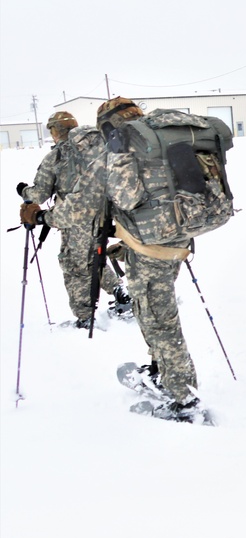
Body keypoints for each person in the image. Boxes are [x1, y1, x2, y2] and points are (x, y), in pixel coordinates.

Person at [19, 98, 205, 422]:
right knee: (151, 314)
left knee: (159, 320)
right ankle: (162, 371)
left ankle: (184, 400)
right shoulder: (157, 140)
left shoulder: (116, 151)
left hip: (149, 248)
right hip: (174, 240)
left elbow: (81, 204)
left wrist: (43, 217)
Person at [17, 111, 132, 329]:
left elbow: (39, 194)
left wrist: (24, 191)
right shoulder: (101, 145)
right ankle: (120, 293)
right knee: (93, 258)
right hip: (106, 214)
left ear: (55, 131)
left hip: (74, 217)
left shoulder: (59, 155)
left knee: (74, 266)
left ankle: (84, 317)